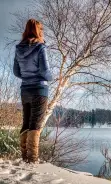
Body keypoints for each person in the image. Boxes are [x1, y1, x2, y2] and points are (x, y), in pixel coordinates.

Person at [13, 19, 53, 163]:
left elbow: (16, 72)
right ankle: (32, 161)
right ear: (38, 31)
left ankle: (25, 159)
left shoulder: (19, 48)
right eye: (41, 29)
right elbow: (45, 71)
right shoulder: (40, 47)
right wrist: (51, 77)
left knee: (26, 124)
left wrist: (27, 76)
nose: (42, 31)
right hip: (39, 90)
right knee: (35, 125)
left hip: (25, 90)